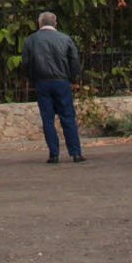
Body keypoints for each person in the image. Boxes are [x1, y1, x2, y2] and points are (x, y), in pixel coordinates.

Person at [21, 11, 84, 164]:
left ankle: (54, 154)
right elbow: (74, 61)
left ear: (39, 23)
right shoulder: (65, 39)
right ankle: (75, 153)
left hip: (42, 82)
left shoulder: (31, 41)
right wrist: (72, 77)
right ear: (55, 23)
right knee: (68, 117)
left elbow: (26, 64)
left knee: (48, 119)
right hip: (62, 81)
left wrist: (32, 78)